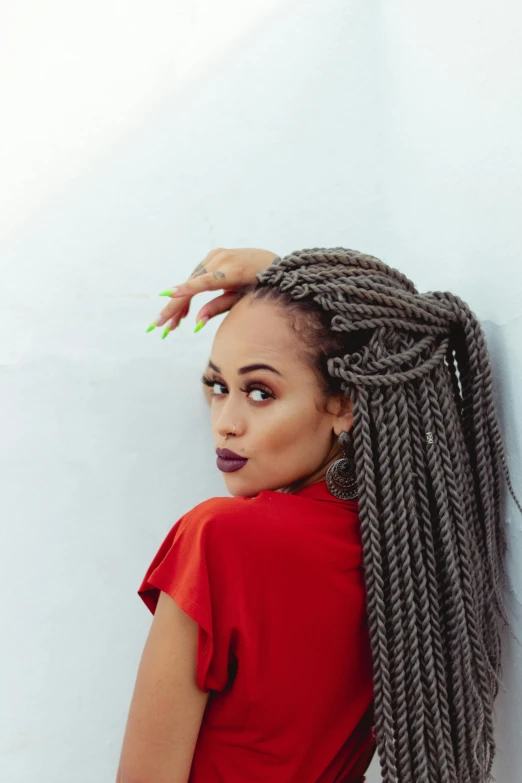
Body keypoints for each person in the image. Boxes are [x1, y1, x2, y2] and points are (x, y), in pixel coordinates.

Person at [116, 247, 521, 783]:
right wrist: (289, 283)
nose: (226, 423)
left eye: (260, 392)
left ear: (346, 404)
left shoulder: (219, 538)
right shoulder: (419, 556)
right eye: (218, 386)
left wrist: (286, 280)